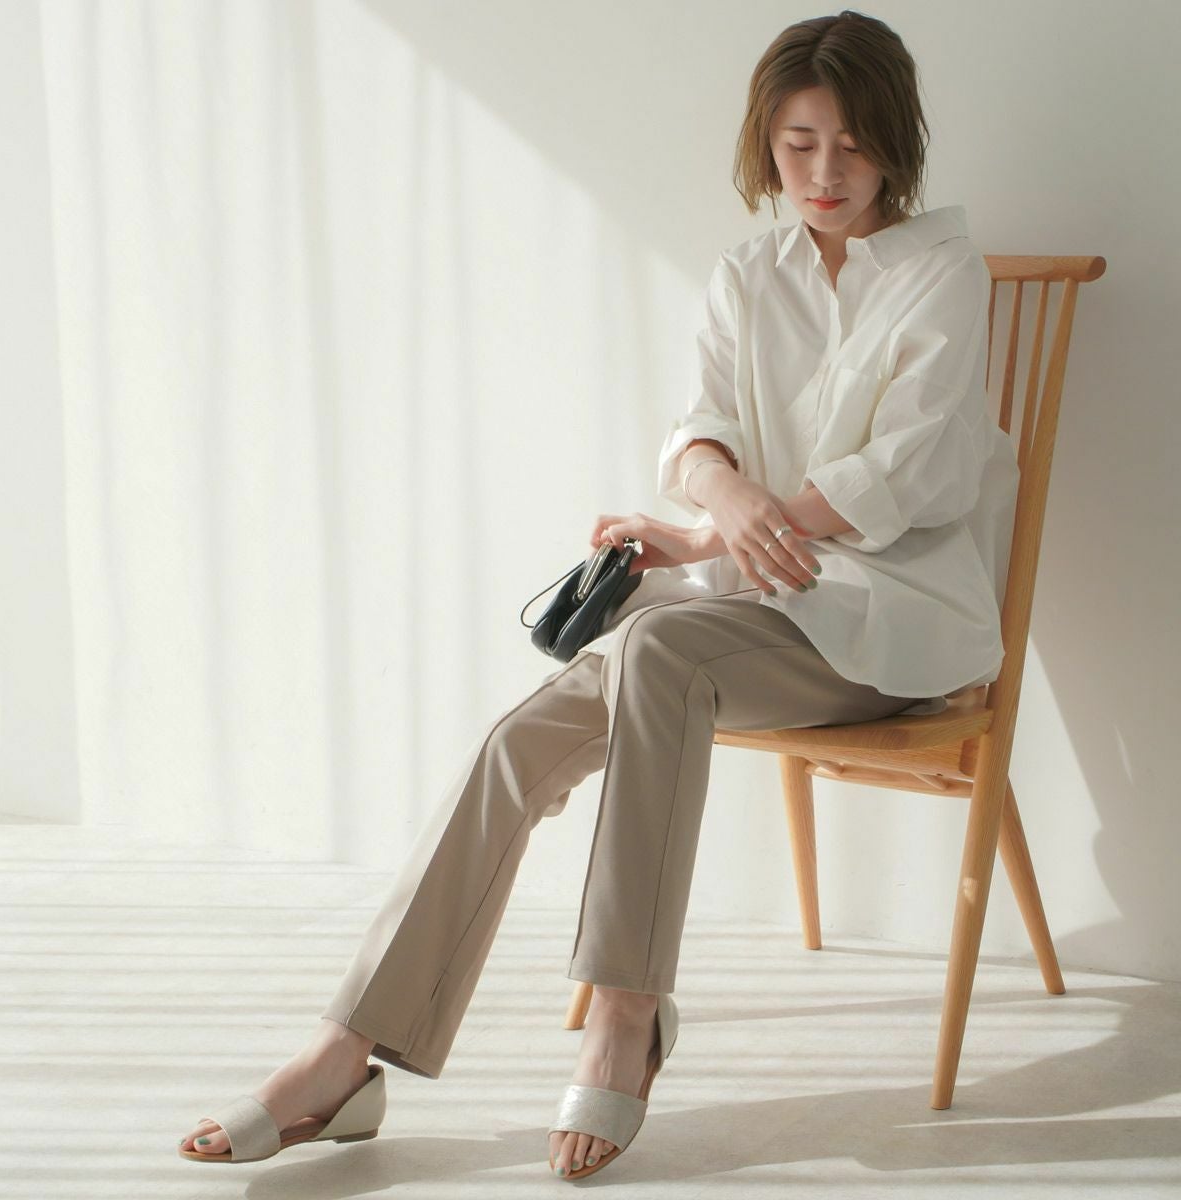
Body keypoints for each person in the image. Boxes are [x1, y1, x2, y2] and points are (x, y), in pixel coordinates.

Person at [177, 7, 1018, 1181]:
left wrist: (734, 527)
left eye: (853, 144)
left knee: (657, 652)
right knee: (524, 739)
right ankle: (345, 1050)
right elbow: (700, 430)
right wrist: (718, 505)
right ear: (766, 145)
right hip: (749, 615)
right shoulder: (749, 273)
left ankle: (627, 1015)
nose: (825, 172)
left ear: (896, 144)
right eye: (798, 144)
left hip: (889, 625)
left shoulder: (941, 271)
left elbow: (912, 470)